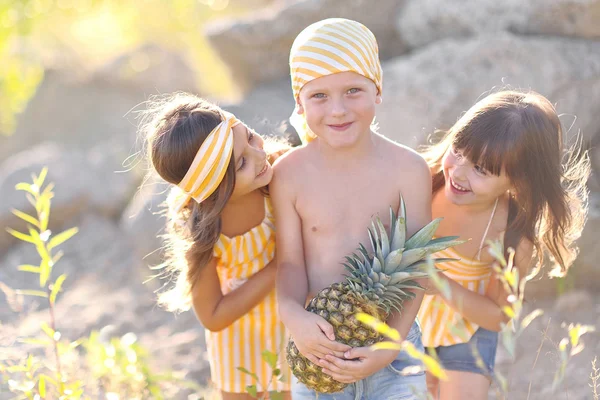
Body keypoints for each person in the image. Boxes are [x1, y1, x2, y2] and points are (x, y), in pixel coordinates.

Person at [271, 18, 431, 399]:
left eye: (353, 90)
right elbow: (290, 263)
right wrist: (293, 317)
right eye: (319, 96)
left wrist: (390, 345)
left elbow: (417, 265)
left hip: (394, 341)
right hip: (318, 341)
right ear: (299, 102)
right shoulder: (289, 174)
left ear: (377, 90)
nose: (338, 110)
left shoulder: (408, 169)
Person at [418, 90, 590, 400]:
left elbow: (498, 316)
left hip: (466, 330)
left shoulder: (509, 235)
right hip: (406, 317)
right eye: (458, 150)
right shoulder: (423, 182)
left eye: (481, 170)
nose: (457, 171)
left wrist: (438, 284)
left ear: (518, 182)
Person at [140, 92, 291, 399]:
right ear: (215, 189)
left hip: (291, 326)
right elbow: (212, 315)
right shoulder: (205, 232)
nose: (259, 154)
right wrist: (277, 269)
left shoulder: (281, 173)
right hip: (239, 348)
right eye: (242, 163)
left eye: (249, 136)